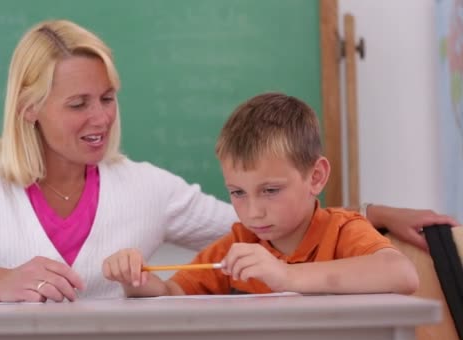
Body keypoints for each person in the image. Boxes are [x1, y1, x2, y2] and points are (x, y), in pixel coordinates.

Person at [0, 19, 455, 303]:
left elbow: (265, 221)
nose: (101, 118)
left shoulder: (145, 188)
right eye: (78, 104)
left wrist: (372, 214)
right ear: (29, 110)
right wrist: (3, 282)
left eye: (108, 98)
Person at [103, 93, 419, 297]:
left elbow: (401, 274)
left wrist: (287, 276)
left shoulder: (342, 231)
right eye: (237, 193)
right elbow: (172, 294)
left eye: (270, 190)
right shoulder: (238, 245)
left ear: (316, 177)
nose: (253, 212)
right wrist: (136, 281)